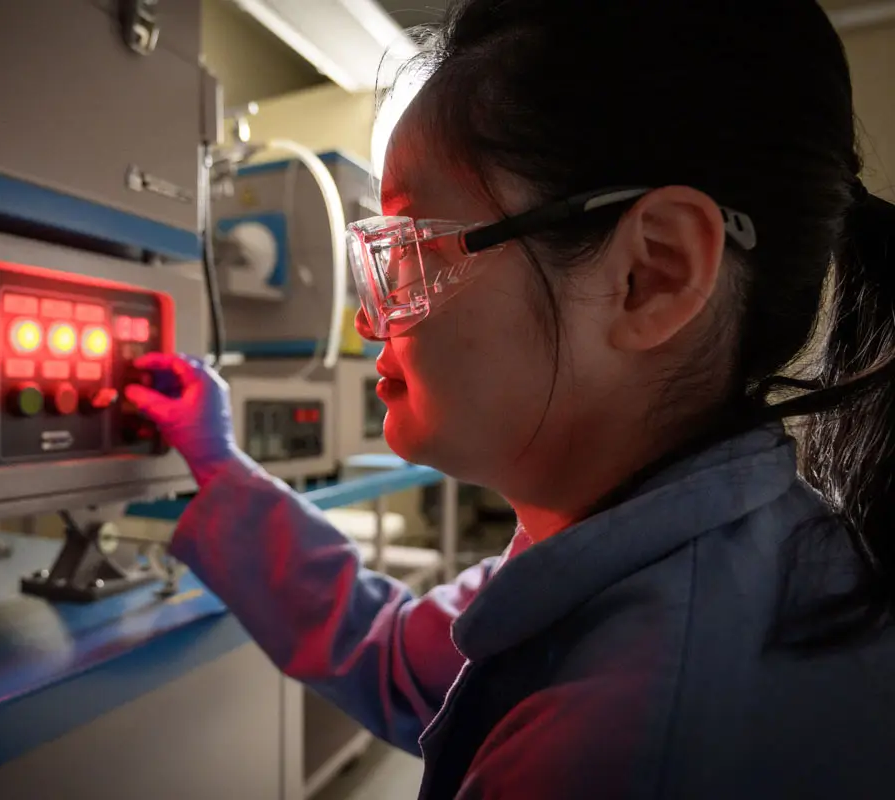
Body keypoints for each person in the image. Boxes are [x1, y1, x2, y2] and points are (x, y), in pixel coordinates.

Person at [124, 0, 895, 797]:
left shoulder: (619, 746)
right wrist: (218, 467)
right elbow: (398, 659)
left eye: (411, 253)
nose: (368, 317)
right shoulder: (664, 543)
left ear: (650, 275)